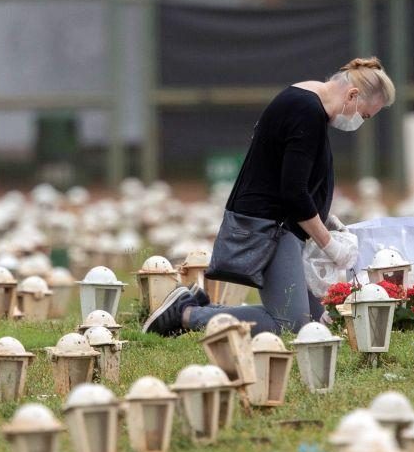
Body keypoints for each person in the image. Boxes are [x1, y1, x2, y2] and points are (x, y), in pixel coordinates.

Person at [143, 57, 396, 336]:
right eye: (365, 115)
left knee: (318, 318)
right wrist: (329, 245)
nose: (360, 121)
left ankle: (194, 305)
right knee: (291, 324)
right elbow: (293, 192)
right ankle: (185, 314)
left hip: (280, 223)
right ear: (352, 95)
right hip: (272, 227)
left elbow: (290, 174)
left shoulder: (307, 95)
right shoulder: (307, 112)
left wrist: (325, 218)